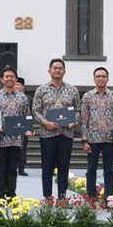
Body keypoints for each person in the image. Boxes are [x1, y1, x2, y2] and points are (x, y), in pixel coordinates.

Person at [32, 59, 81, 200]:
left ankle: (62, 196)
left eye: (60, 68)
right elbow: (35, 110)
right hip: (47, 134)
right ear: (49, 71)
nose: (57, 70)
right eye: (55, 68)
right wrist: (45, 122)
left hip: (66, 134)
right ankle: (47, 196)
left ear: (64, 71)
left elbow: (77, 110)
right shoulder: (41, 90)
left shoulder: (72, 90)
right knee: (47, 167)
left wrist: (74, 121)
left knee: (64, 167)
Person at [0, 66, 31, 199]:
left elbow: (26, 116)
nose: (9, 79)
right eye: (7, 76)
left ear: (16, 79)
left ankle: (11, 195)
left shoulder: (23, 98)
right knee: (0, 170)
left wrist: (28, 129)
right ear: (2, 79)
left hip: (16, 140)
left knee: (12, 169)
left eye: (12, 76)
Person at [80, 67, 113, 201]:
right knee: (91, 169)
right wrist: (84, 140)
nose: (100, 78)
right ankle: (91, 195)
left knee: (108, 169)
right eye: (98, 76)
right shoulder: (87, 97)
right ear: (94, 79)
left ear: (107, 79)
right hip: (92, 139)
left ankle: (108, 195)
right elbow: (84, 119)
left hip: (109, 139)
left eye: (103, 76)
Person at [16, 77, 30, 177]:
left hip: (24, 125)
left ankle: (21, 168)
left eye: (18, 85)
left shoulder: (28, 98)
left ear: (23, 86)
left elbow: (30, 113)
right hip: (11, 125)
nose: (16, 86)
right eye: (15, 84)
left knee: (23, 148)